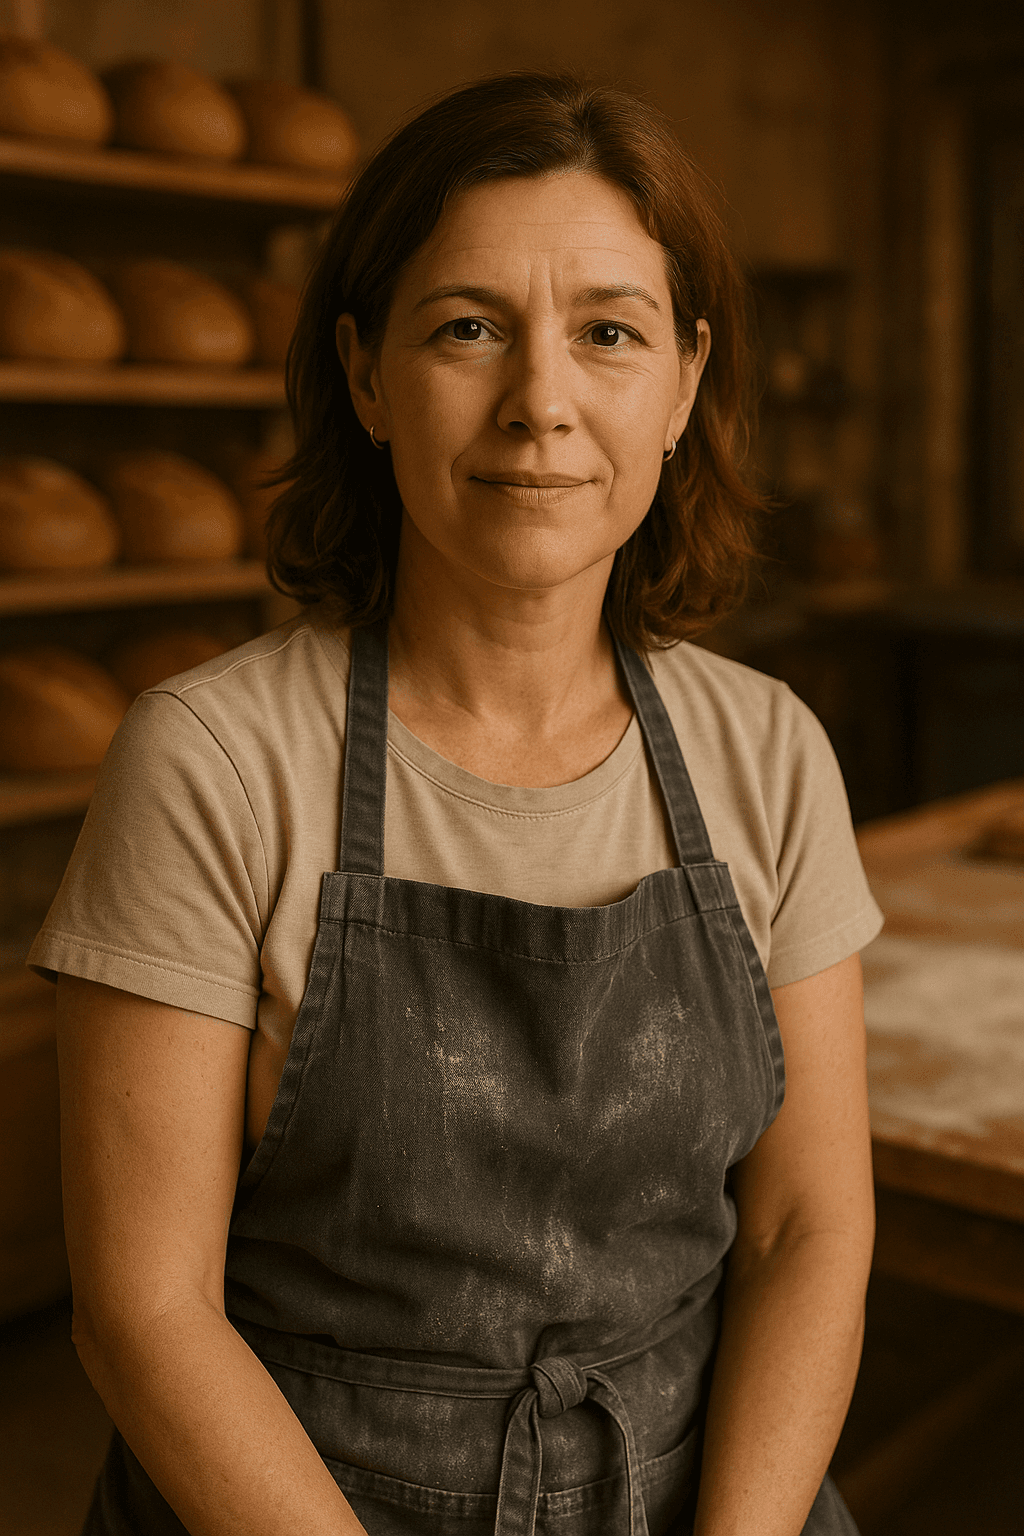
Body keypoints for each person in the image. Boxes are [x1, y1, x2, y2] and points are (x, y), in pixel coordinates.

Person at [33, 71, 883, 1536]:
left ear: (683, 382)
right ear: (368, 376)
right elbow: (144, 1314)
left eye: (607, 333)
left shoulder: (772, 752)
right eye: (467, 328)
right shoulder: (212, 762)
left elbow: (810, 1229)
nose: (539, 402)